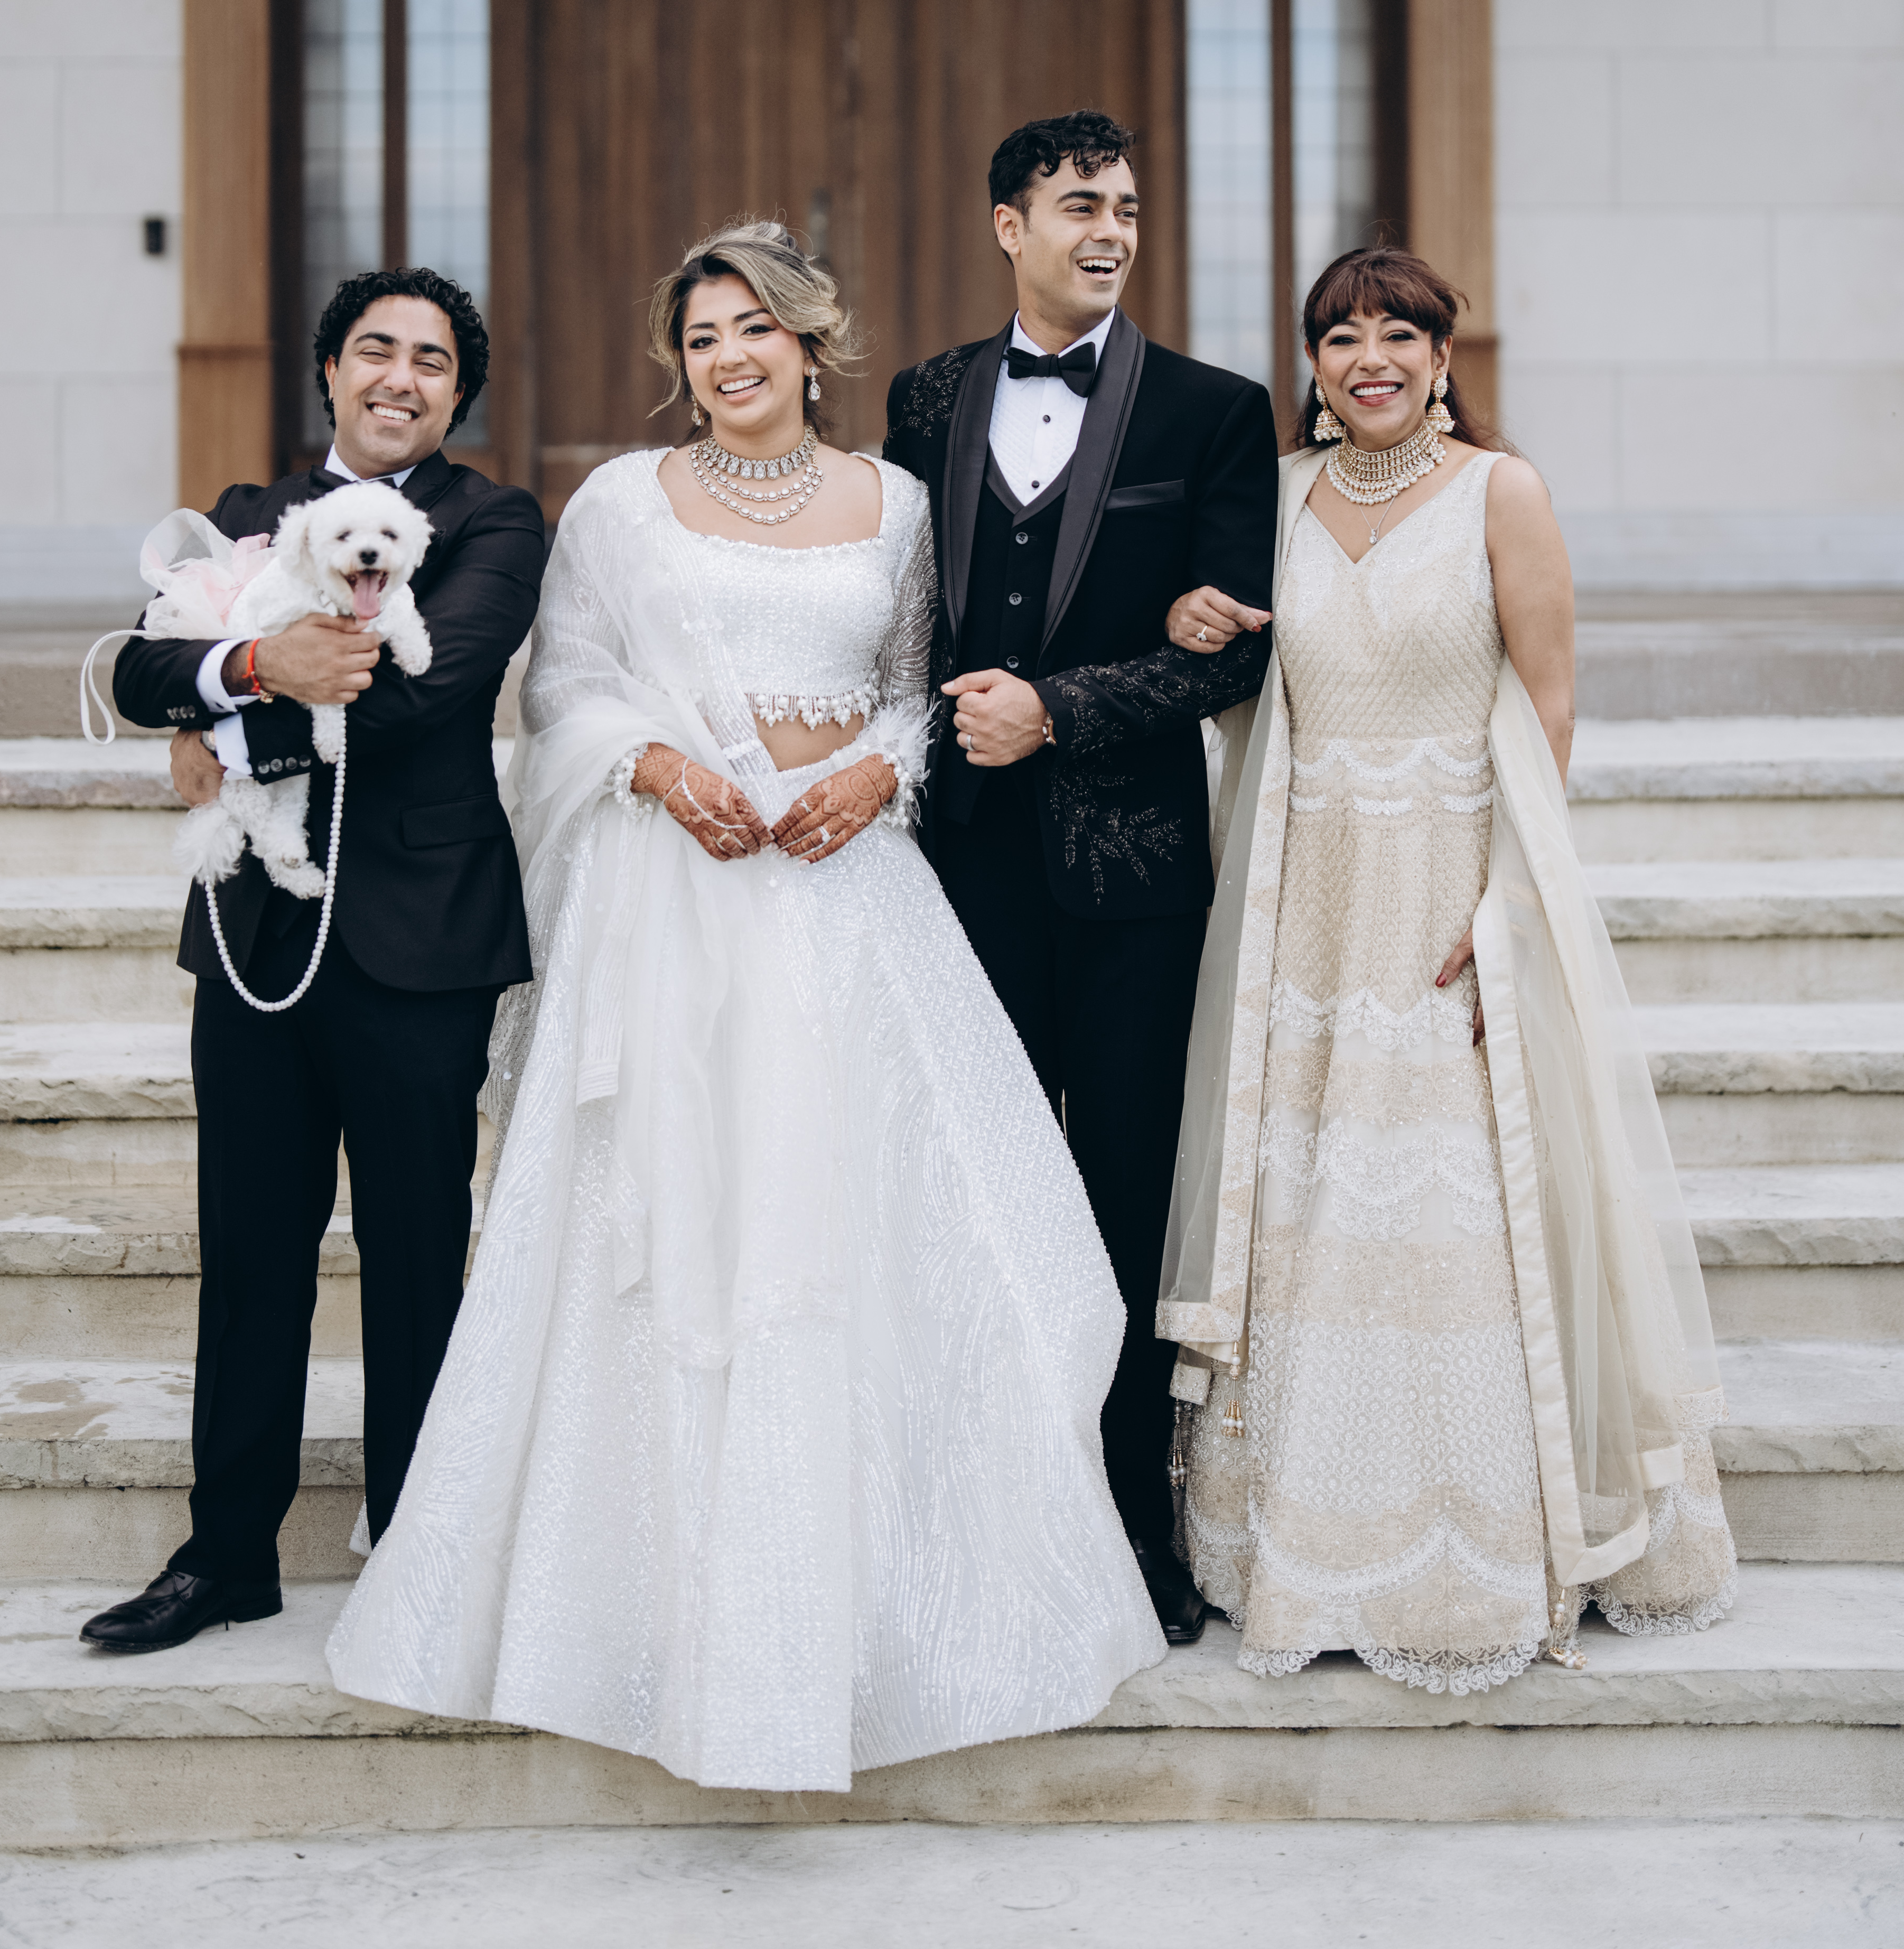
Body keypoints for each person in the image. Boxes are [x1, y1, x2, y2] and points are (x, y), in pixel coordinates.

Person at [325, 222, 1164, 1793]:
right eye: (701, 338)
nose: (726, 359)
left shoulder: (897, 504)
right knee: (675, 1222)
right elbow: (562, 690)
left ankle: (860, 1618)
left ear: (808, 343)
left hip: (846, 896)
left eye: (752, 330)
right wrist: (658, 767)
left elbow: (913, 688)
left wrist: (878, 774)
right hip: (676, 895)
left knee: (861, 1223)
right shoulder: (618, 506)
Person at [1159, 246, 1737, 1690]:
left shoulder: (1502, 492)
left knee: (1453, 1200)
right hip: (1309, 895)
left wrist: (1511, 905)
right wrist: (1186, 622)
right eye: (1341, 337)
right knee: (1310, 1199)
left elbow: (1550, 705)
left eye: (1397, 336)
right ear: (1312, 363)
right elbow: (1229, 661)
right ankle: (1303, 1537)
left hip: (1447, 883)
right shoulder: (1276, 495)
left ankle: (1477, 1546)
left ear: (1440, 356)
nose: (1370, 359)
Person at [81, 270, 546, 1656]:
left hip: (421, 936)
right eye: (375, 350)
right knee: (251, 1252)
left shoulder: (495, 523)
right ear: (332, 371)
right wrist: (242, 669)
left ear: (458, 396)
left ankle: (420, 1552)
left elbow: (420, 693)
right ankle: (226, 1555)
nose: (401, 376)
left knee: (415, 1257)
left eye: (433, 361)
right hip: (256, 937)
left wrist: (226, 731)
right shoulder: (246, 514)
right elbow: (140, 673)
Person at [882, 113, 1279, 1646]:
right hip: (956, 870)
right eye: (1076, 205)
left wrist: (1061, 707)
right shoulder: (928, 397)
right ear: (1009, 225)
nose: (1108, 229)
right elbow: (895, 611)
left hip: (1133, 878)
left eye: (1125, 207)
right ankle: (981, 1515)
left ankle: (1133, 1525)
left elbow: (1237, 650)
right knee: (974, 1196)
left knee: (1122, 1195)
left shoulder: (1213, 411)